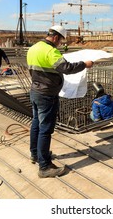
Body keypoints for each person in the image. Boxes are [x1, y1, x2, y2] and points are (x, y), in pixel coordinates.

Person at [27, 25, 94, 178]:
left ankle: (35, 154)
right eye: (61, 41)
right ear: (56, 37)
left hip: (35, 91)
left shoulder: (34, 48)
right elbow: (66, 67)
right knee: (46, 129)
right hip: (47, 95)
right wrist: (85, 64)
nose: (60, 44)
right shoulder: (50, 51)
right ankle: (44, 167)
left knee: (36, 124)